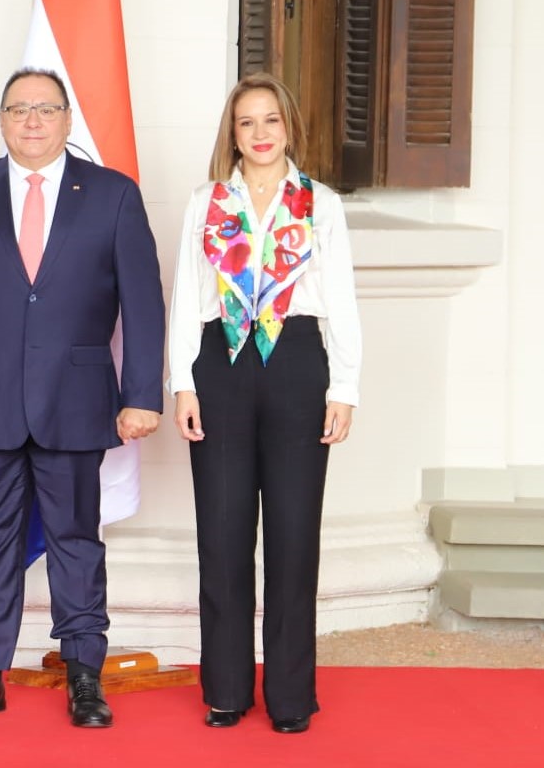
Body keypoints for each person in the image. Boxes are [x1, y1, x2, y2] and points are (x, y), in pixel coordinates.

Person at [0, 68, 165, 726]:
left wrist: (143, 394)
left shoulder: (112, 195)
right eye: (19, 109)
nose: (32, 121)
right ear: (1, 120)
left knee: (77, 536)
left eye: (45, 109)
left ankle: (85, 675)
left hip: (78, 399)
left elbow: (143, 303)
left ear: (67, 119)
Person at [169, 72, 360, 735]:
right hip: (219, 362)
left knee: (292, 533)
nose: (260, 134)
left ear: (289, 128)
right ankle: (225, 687)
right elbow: (184, 296)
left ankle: (289, 695)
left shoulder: (320, 204)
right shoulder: (206, 202)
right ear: (233, 133)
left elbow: (341, 301)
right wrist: (182, 381)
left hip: (298, 362)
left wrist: (344, 387)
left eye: (270, 120)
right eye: (247, 122)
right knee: (221, 534)